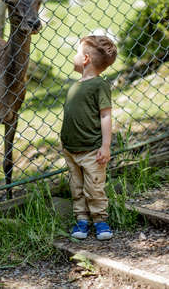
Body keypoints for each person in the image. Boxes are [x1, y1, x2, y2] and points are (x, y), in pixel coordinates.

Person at [61, 35, 117, 240]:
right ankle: (82, 220)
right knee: (76, 187)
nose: (73, 57)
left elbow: (105, 114)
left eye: (77, 52)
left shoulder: (99, 86)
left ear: (85, 59)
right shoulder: (74, 86)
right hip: (71, 149)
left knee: (94, 187)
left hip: (92, 150)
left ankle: (100, 220)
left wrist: (106, 146)